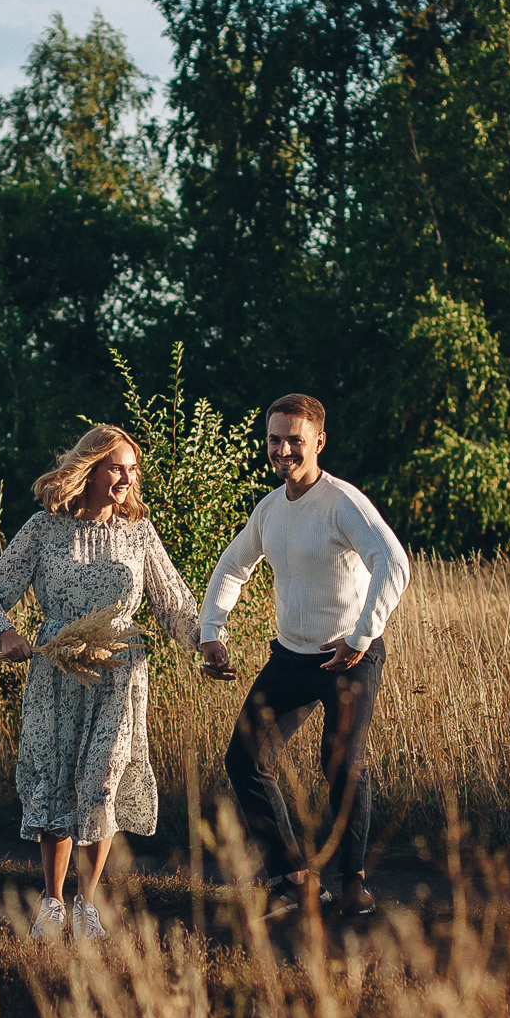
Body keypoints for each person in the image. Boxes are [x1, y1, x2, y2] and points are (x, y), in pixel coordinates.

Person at [0, 424, 203, 941]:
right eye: (117, 468)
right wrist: (5, 632)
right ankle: (52, 903)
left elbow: (175, 604)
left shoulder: (138, 533)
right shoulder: (44, 529)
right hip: (57, 673)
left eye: (132, 469)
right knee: (57, 783)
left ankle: (86, 905)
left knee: (102, 782)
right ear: (91, 469)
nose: (127, 478)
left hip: (119, 674)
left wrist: (207, 643)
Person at [198, 393, 410, 919]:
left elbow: (393, 561)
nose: (283, 450)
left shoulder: (342, 503)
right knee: (245, 760)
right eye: (275, 440)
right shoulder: (270, 510)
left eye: (295, 440)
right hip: (291, 657)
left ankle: (354, 884)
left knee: (341, 762)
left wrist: (361, 635)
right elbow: (232, 567)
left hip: (349, 656)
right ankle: (293, 880)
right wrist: (211, 631)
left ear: (319, 442)